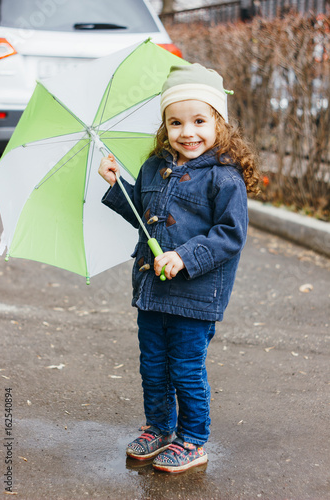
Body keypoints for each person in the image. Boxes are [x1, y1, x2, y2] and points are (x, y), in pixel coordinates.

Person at [98, 63, 259, 473]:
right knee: (152, 363)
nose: (188, 132)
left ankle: (193, 439)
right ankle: (159, 427)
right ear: (165, 126)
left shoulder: (224, 179)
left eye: (199, 121)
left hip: (195, 295)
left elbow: (229, 234)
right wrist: (117, 185)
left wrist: (185, 256)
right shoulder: (155, 167)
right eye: (175, 122)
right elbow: (142, 213)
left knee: (185, 368)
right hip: (152, 291)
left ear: (219, 124)